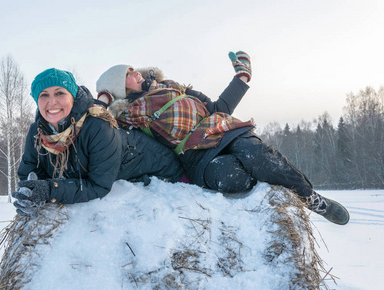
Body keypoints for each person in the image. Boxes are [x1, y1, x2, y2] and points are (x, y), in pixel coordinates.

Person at [96, 51, 350, 225]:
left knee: (257, 155)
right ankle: (275, 185)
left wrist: (241, 78)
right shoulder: (127, 115)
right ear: (120, 85)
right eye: (127, 73)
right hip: (196, 158)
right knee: (232, 177)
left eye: (132, 69)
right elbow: (97, 126)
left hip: (222, 130)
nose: (135, 72)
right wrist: (104, 99)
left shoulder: (173, 87)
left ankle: (312, 199)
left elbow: (219, 108)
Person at [12, 68, 183, 217]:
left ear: (73, 97)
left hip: (161, 170)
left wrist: (50, 190)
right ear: (37, 101)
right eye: (44, 95)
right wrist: (31, 193)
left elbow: (98, 186)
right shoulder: (37, 132)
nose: (52, 102)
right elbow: (30, 172)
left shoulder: (98, 126)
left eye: (60, 93)